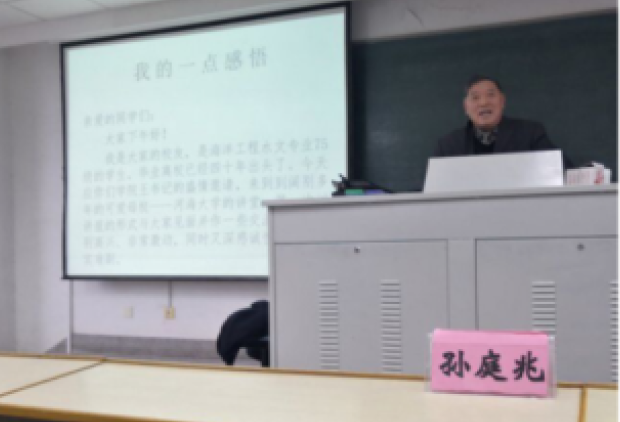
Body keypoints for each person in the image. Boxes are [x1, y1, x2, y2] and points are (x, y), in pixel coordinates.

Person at [434, 75, 571, 167]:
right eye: (475, 98)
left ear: (503, 101)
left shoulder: (530, 134)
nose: (483, 102)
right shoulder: (448, 146)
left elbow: (561, 171)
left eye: (490, 95)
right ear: (465, 108)